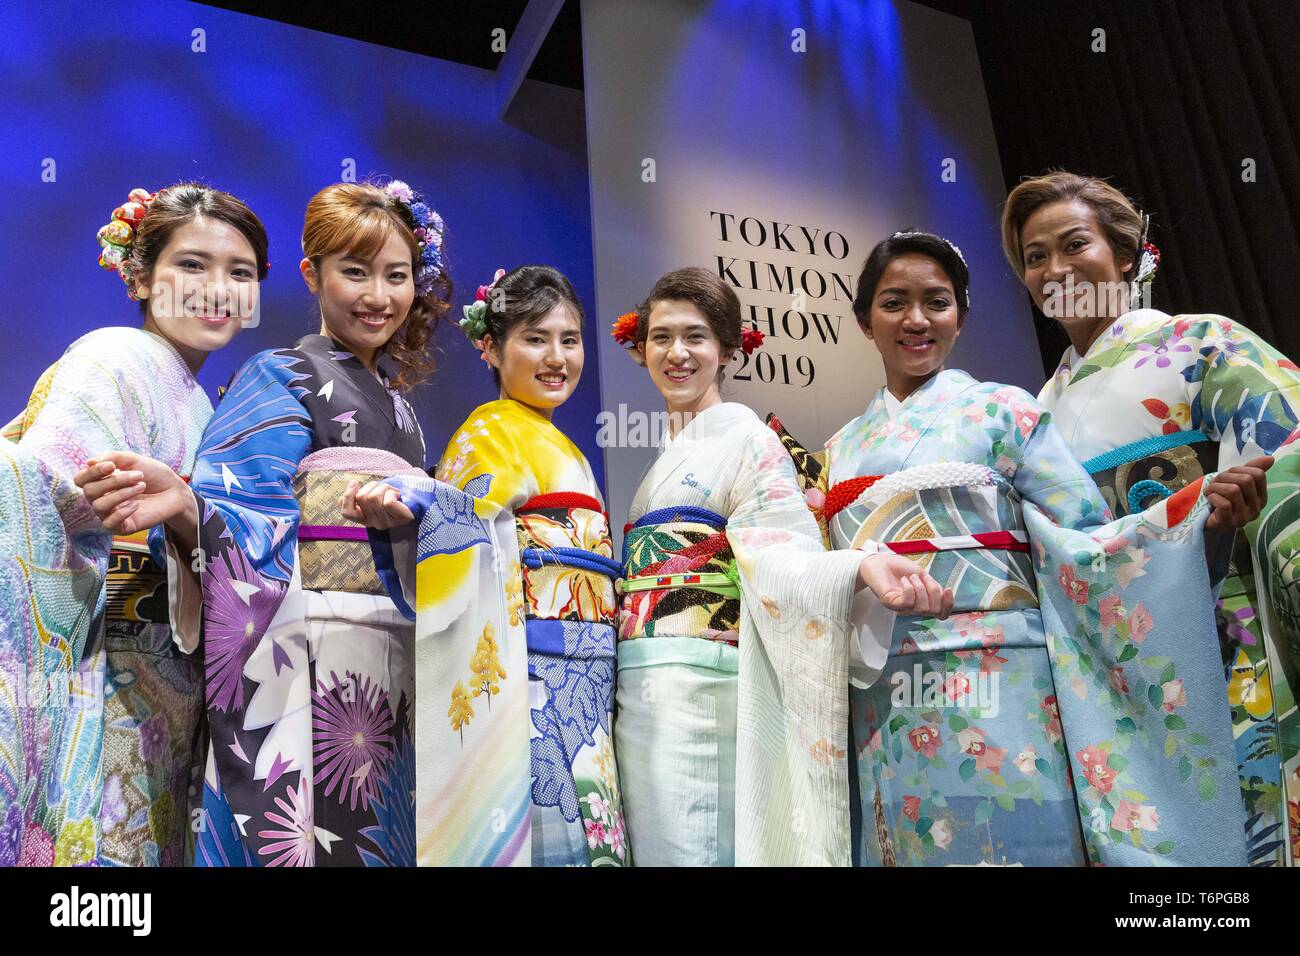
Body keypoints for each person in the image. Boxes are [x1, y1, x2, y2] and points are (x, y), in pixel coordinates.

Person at [825, 230, 1262, 865]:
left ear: (961, 317)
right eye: (894, 302)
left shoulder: (1006, 410)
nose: (916, 319)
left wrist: (1193, 520)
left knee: (1013, 831)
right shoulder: (840, 447)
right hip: (883, 678)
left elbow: (1085, 538)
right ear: (865, 320)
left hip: (1001, 666)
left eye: (937, 302)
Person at [85, 179, 448, 866]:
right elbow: (244, 513)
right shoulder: (278, 373)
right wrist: (195, 507)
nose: (377, 295)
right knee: (313, 831)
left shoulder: (404, 412)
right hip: (310, 656)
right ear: (312, 275)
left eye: (396, 276)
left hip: (394, 657)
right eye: (354, 271)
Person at [608, 266, 952, 866]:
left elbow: (781, 557)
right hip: (642, 682)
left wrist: (856, 568)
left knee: (697, 847)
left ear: (726, 350)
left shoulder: (748, 440)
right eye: (661, 337)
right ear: (641, 349)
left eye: (696, 337)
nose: (677, 353)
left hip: (702, 683)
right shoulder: (667, 454)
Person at [1003, 171, 1300, 865]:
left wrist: (1224, 512)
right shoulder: (1033, 409)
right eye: (1035, 257)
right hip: (1110, 661)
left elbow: (1290, 449)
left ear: (1127, 255)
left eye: (1075, 243)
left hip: (1223, 627)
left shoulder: (1202, 343)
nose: (1055, 269)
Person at [1, 182, 268, 866]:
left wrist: (182, 516)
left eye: (239, 273)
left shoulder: (211, 410)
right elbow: (44, 492)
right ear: (140, 277)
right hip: (110, 668)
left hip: (166, 692)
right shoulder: (115, 356)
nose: (217, 288)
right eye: (192, 266)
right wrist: (116, 513)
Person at [351, 265, 629, 866]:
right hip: (528, 679)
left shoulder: (568, 447)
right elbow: (461, 528)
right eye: (534, 338)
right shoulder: (490, 431)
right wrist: (418, 498)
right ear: (490, 348)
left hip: (587, 678)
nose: (556, 357)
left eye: (570, 339)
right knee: (545, 843)